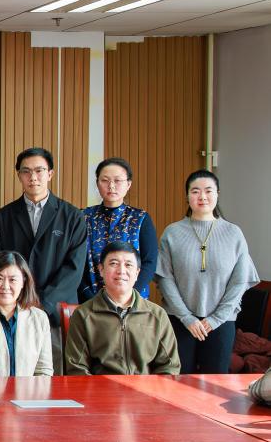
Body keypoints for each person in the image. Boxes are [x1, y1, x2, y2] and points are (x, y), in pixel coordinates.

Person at [156, 170, 259, 374]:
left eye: (208, 191)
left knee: (216, 382)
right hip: (179, 320)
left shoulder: (234, 233)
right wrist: (187, 317)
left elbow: (239, 282)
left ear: (217, 194)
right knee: (178, 380)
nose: (202, 196)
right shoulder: (172, 232)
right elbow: (165, 278)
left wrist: (216, 319)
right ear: (187, 196)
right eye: (195, 191)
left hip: (222, 322)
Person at [0, 148, 87, 356]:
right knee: (14, 367)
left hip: (57, 312)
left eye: (39, 171)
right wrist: (21, 301)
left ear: (50, 174)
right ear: (19, 175)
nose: (33, 177)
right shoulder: (2, 218)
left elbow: (74, 268)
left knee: (55, 369)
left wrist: (43, 304)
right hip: (14, 309)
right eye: (26, 171)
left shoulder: (72, 217)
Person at [66, 242, 180, 376]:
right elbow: (77, 368)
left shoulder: (157, 315)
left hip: (146, 387)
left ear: (137, 273)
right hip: (101, 388)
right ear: (101, 270)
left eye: (128, 265)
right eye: (114, 263)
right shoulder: (83, 315)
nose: (121, 271)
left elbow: (169, 367)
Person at [80, 158, 157, 302]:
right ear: (97, 183)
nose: (111, 186)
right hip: (91, 301)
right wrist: (90, 297)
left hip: (132, 300)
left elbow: (150, 262)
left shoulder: (140, 218)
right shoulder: (84, 217)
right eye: (105, 180)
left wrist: (130, 295)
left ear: (128, 184)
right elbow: (76, 261)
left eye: (117, 181)